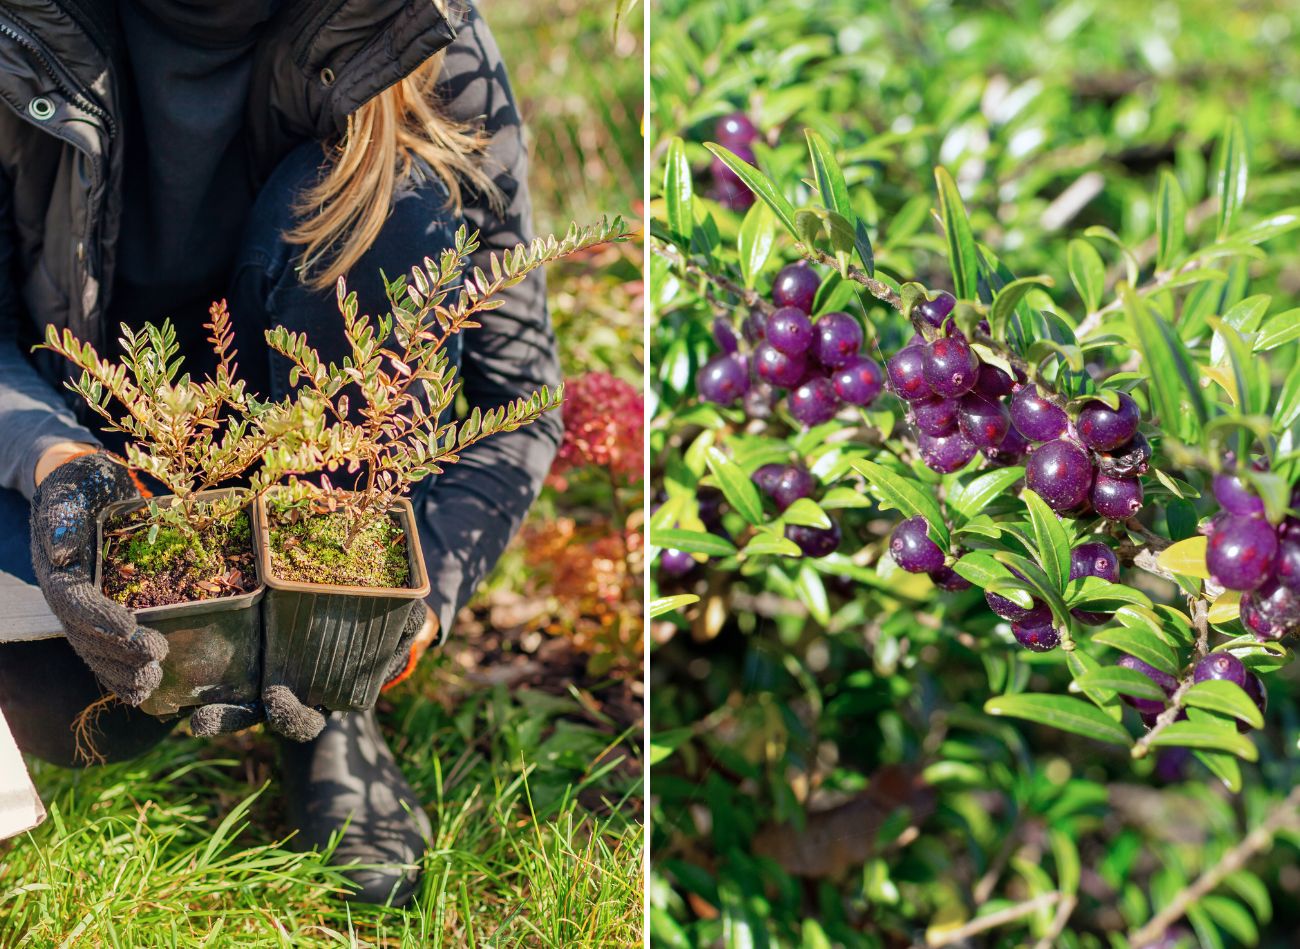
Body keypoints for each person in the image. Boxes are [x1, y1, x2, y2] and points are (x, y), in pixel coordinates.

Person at [0, 0, 559, 908]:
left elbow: (515, 408)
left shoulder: (416, 33)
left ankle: (327, 711)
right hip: (104, 459)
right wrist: (55, 459)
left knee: (396, 208)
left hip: (310, 495)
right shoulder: (23, 26)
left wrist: (393, 624)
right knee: (71, 699)